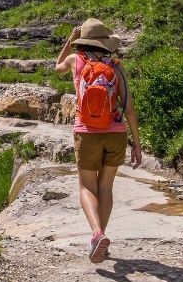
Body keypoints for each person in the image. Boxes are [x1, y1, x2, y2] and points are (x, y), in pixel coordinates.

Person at [55, 18, 143, 263]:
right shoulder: (116, 67)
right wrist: (136, 144)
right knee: (105, 188)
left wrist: (69, 41)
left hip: (86, 132)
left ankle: (96, 234)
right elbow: (130, 109)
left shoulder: (76, 61)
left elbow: (57, 66)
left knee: (86, 187)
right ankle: (100, 237)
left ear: (82, 41)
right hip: (115, 133)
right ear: (106, 43)